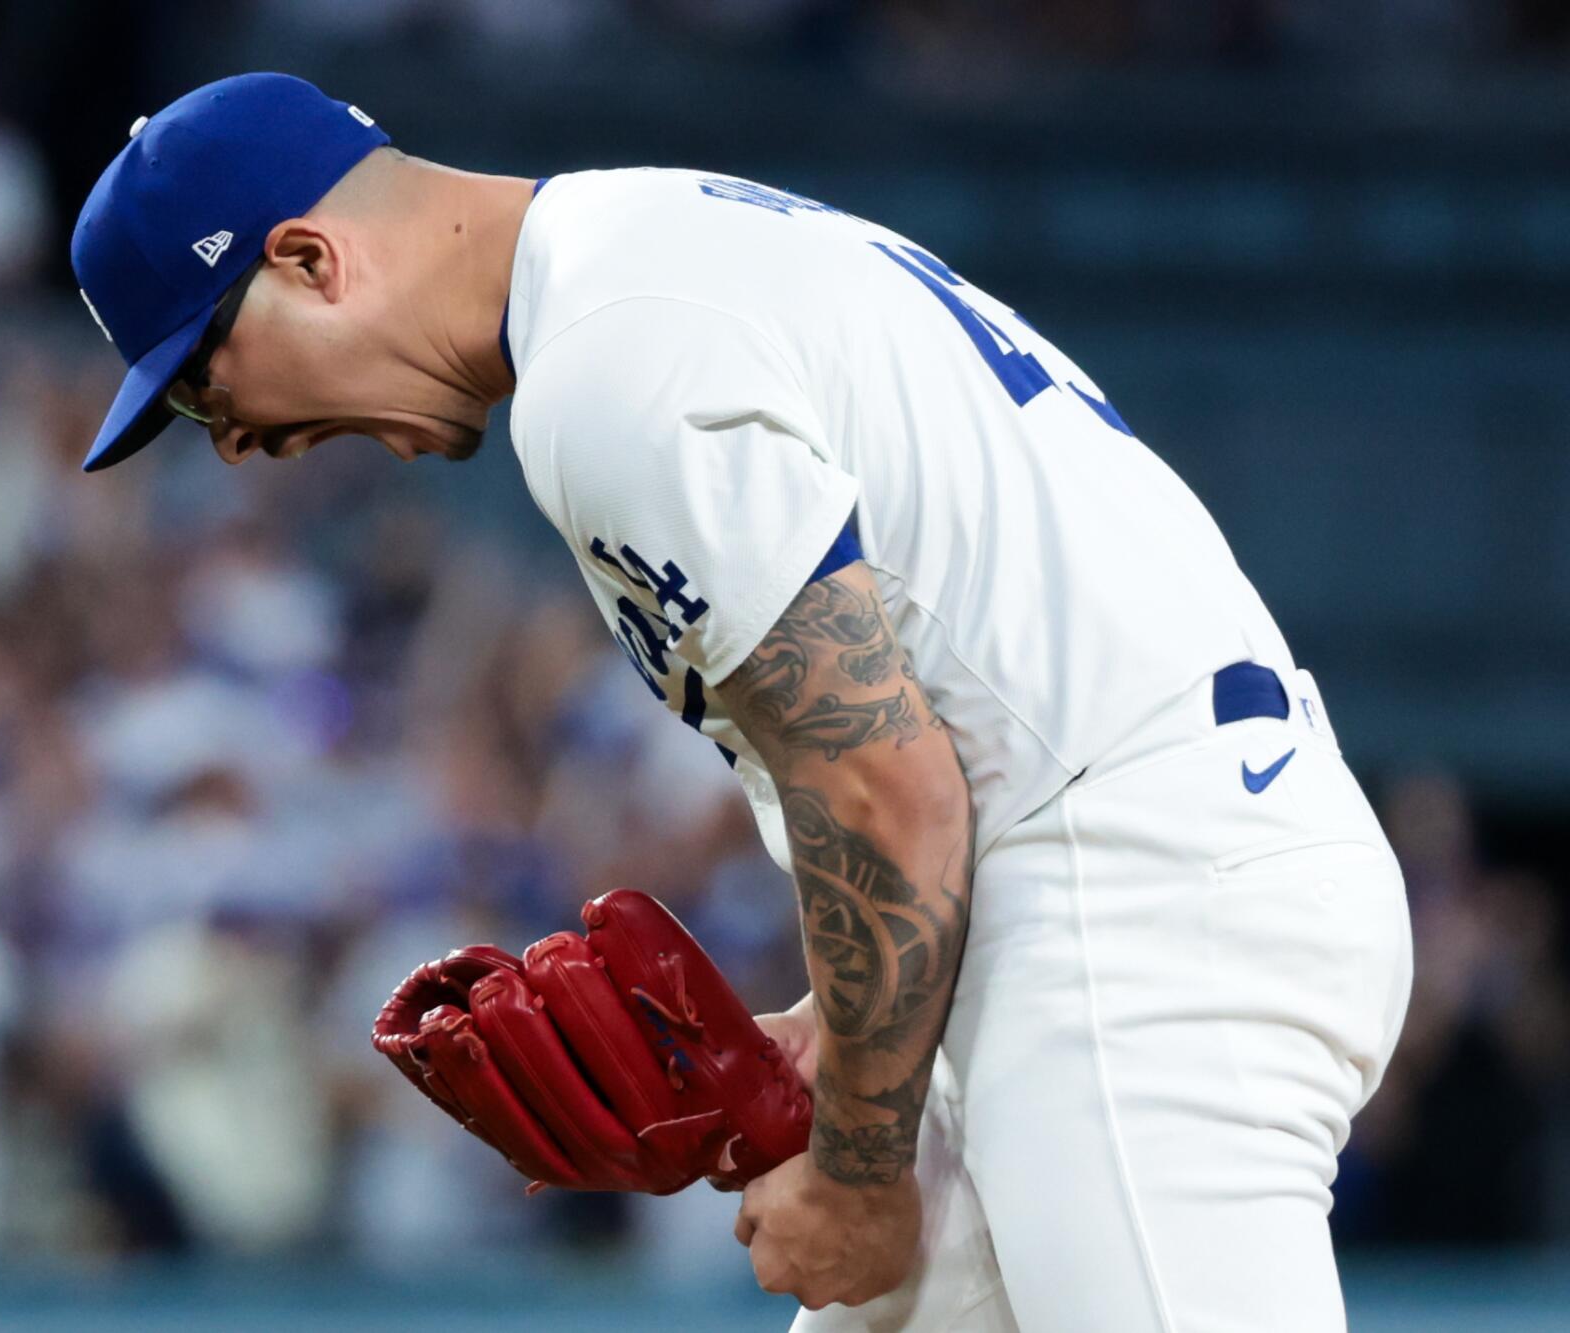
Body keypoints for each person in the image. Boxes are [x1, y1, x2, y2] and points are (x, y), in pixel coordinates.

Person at [70, 73, 1414, 1331]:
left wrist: (861, 1175)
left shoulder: (608, 366)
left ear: (310, 260)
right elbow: (947, 703)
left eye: (203, 375)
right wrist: (843, 1029)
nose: (232, 437)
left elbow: (888, 783)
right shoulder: (639, 245)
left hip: (1136, 916)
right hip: (1129, 870)